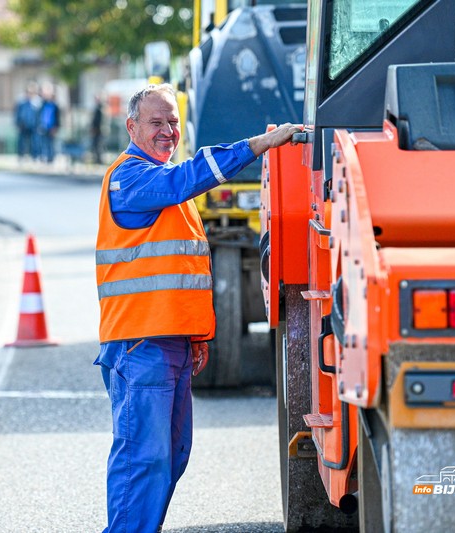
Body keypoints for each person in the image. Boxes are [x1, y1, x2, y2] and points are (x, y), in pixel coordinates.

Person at [93, 83, 299, 533]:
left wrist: (199, 335)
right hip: (140, 344)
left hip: (170, 343)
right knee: (144, 460)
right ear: (131, 127)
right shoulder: (132, 178)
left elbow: (185, 272)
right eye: (156, 122)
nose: (167, 131)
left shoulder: (166, 190)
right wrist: (256, 146)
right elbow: (185, 178)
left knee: (171, 456)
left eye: (172, 122)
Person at [15, 82, 42, 160]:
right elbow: (17, 114)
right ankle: (21, 156)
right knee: (22, 143)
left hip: (34, 126)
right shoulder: (21, 102)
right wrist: (18, 123)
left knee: (35, 143)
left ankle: (35, 157)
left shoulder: (37, 102)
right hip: (23, 125)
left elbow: (40, 115)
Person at [38, 83, 60, 163]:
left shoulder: (54, 105)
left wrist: (56, 127)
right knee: (43, 143)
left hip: (52, 126)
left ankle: (51, 158)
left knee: (51, 143)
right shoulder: (42, 104)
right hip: (43, 126)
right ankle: (43, 156)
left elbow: (57, 117)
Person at [90, 94, 104, 164]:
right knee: (96, 146)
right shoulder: (98, 108)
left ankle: (98, 160)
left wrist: (95, 128)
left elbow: (98, 121)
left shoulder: (99, 109)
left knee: (97, 146)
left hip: (98, 131)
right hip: (97, 130)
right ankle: (97, 159)